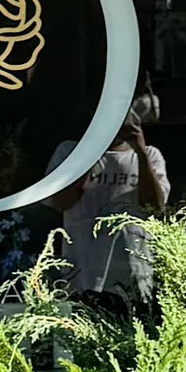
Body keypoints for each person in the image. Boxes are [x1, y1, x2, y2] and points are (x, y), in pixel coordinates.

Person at [49, 80, 170, 319]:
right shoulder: (69, 152)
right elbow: (61, 202)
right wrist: (93, 149)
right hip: (83, 275)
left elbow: (155, 207)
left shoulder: (150, 156)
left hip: (133, 274)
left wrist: (140, 151)